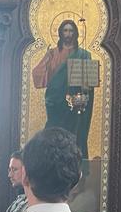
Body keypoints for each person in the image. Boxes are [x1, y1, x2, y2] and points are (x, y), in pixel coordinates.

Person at [32, 19, 94, 159]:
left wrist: (83, 92)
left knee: (73, 134)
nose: (68, 34)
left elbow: (88, 84)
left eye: (71, 30)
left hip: (74, 103)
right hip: (55, 101)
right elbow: (38, 73)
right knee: (53, 131)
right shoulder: (52, 54)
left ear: (75, 33)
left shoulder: (83, 55)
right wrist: (47, 65)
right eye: (65, 30)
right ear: (60, 33)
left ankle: (72, 159)